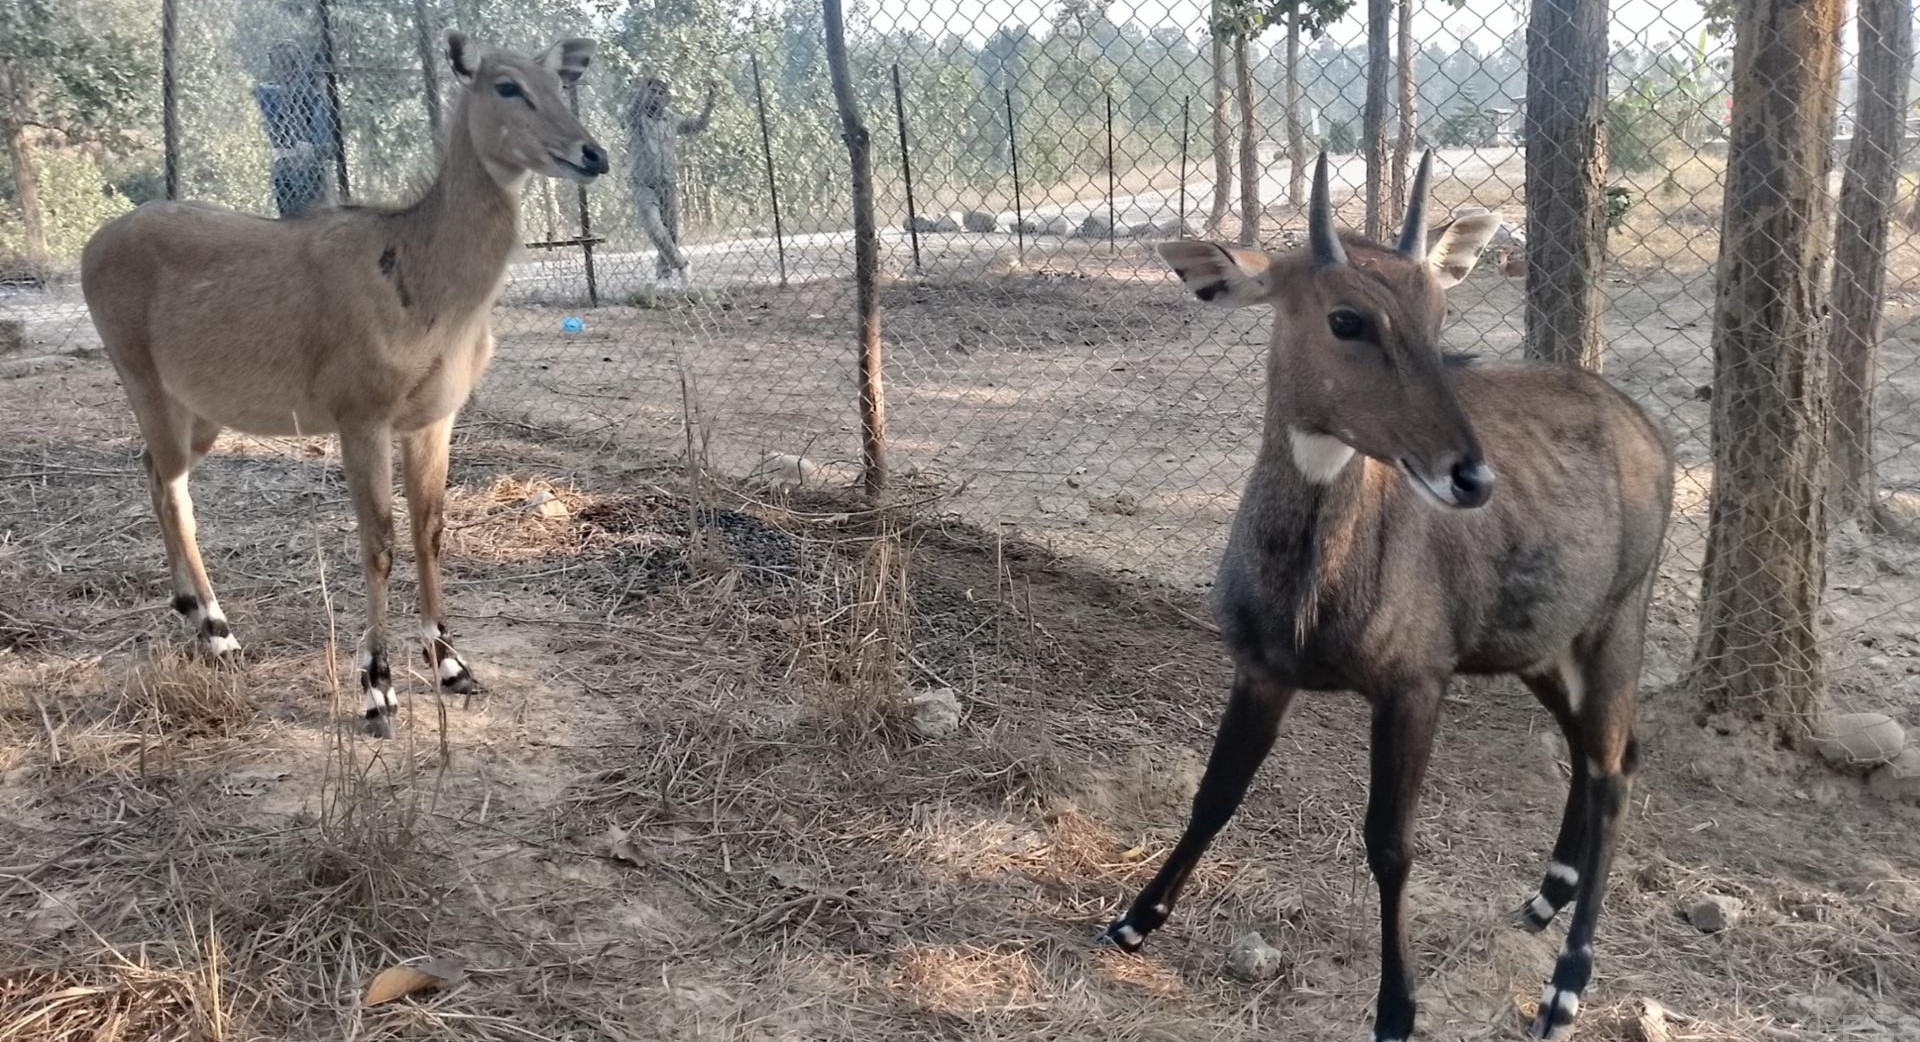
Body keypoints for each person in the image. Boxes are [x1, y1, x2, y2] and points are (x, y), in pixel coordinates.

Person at [625, 73, 715, 286]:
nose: (656, 96)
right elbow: (635, 107)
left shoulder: (671, 119)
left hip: (668, 183)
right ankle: (682, 264)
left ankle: (663, 276)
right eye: (652, 91)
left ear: (667, 98)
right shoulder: (637, 118)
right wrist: (642, 87)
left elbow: (698, 126)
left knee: (671, 233)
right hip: (644, 184)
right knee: (655, 228)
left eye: (661, 92)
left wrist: (710, 102)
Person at [254, 42, 339, 218]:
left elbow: (328, 147)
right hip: (292, 165)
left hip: (303, 165)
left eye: (288, 63)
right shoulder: (272, 94)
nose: (284, 70)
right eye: (281, 64)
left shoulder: (312, 98)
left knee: (302, 219)